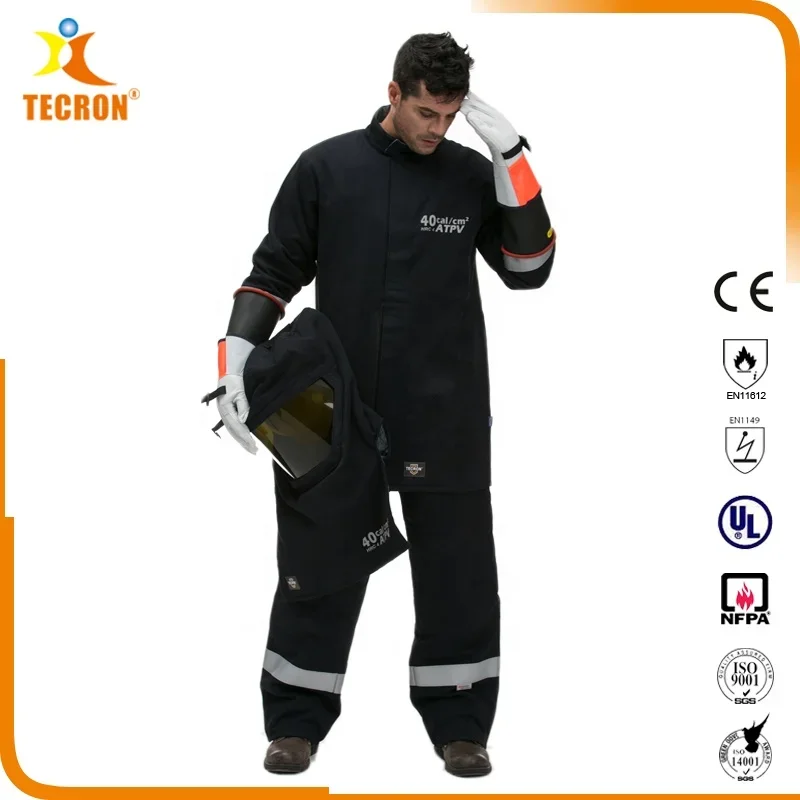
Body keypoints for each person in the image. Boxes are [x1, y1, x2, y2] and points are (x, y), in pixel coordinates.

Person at [212, 32, 556, 777]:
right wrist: (235, 357)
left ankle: (460, 724)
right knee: (317, 561)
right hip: (327, 405)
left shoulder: (471, 175)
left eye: (451, 116)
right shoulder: (326, 168)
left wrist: (512, 157)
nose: (439, 128)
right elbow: (273, 269)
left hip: (445, 403)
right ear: (394, 93)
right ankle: (295, 722)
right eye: (427, 112)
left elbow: (528, 268)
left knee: (459, 572)